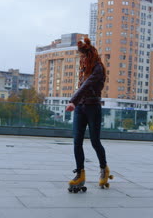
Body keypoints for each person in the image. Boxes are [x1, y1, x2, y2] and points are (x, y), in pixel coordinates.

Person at [66, 37, 112, 192]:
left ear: (90, 56)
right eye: (81, 57)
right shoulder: (84, 69)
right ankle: (80, 174)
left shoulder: (98, 69)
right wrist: (76, 102)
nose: (82, 60)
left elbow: (87, 85)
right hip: (81, 107)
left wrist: (73, 100)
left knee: (94, 141)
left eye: (84, 57)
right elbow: (82, 85)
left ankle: (104, 169)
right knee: (77, 141)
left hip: (93, 108)